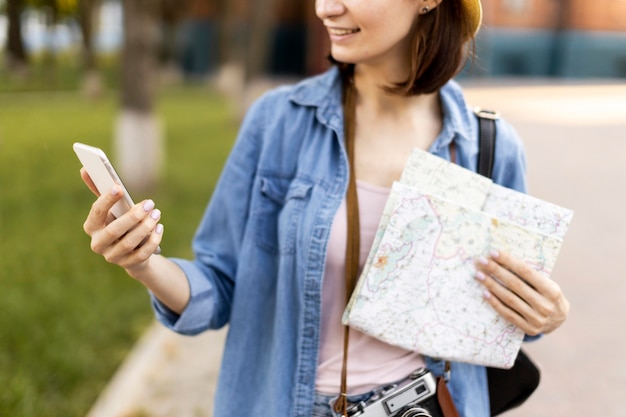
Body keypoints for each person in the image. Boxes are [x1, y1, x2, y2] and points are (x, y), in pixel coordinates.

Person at [80, 0, 570, 416]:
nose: (324, 8)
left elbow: (498, 320)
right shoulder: (278, 122)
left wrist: (543, 314)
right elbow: (219, 284)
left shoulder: (487, 145)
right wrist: (144, 263)